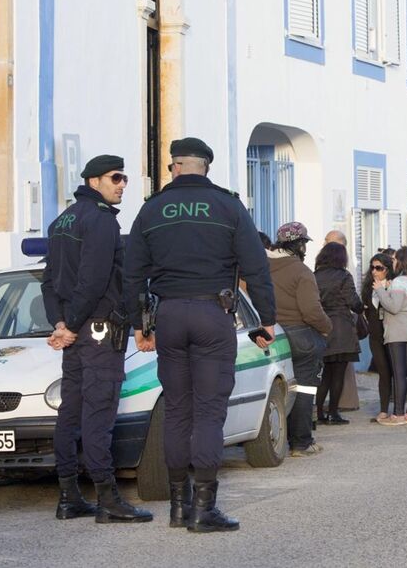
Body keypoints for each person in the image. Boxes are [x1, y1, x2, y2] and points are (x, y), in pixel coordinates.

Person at [124, 137, 276, 533]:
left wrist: (140, 325)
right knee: (208, 411)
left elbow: (133, 273)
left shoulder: (152, 209)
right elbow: (256, 267)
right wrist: (266, 320)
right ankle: (203, 510)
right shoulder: (228, 206)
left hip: (169, 315)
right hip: (213, 313)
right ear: (206, 167)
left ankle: (178, 507)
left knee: (177, 410)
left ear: (173, 166)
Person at [42, 155, 152, 524]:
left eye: (124, 178)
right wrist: (70, 325)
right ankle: (108, 500)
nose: (122, 184)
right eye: (115, 178)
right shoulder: (101, 220)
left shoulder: (61, 222)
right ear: (93, 182)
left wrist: (59, 322)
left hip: (75, 333)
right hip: (98, 331)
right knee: (98, 413)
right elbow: (93, 278)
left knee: (70, 412)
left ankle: (69, 496)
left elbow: (48, 282)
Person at [266, 222, 333, 455]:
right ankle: (301, 443)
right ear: (300, 245)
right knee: (304, 389)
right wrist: (327, 328)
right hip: (299, 335)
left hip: (269, 335)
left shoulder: (261, 266)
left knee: (273, 389)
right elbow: (311, 311)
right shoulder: (301, 271)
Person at [374, 245, 407, 426]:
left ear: (402, 261)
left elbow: (393, 307)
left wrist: (380, 290)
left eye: (395, 259)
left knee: (399, 371)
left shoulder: (399, 281)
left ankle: (398, 414)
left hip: (396, 330)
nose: (393, 262)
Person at [314, 242, 362, 425]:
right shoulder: (344, 276)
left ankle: (318, 412)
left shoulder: (314, 276)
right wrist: (360, 307)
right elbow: (353, 301)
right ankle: (333, 413)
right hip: (341, 328)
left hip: (322, 328)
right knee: (338, 374)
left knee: (324, 373)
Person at [361, 253, 395, 422]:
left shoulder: (393, 285)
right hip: (375, 334)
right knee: (383, 371)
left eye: (379, 268)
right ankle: (383, 410)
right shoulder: (368, 287)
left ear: (387, 269)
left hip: (392, 334)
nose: (374, 271)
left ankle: (399, 409)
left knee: (396, 370)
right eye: (372, 267)